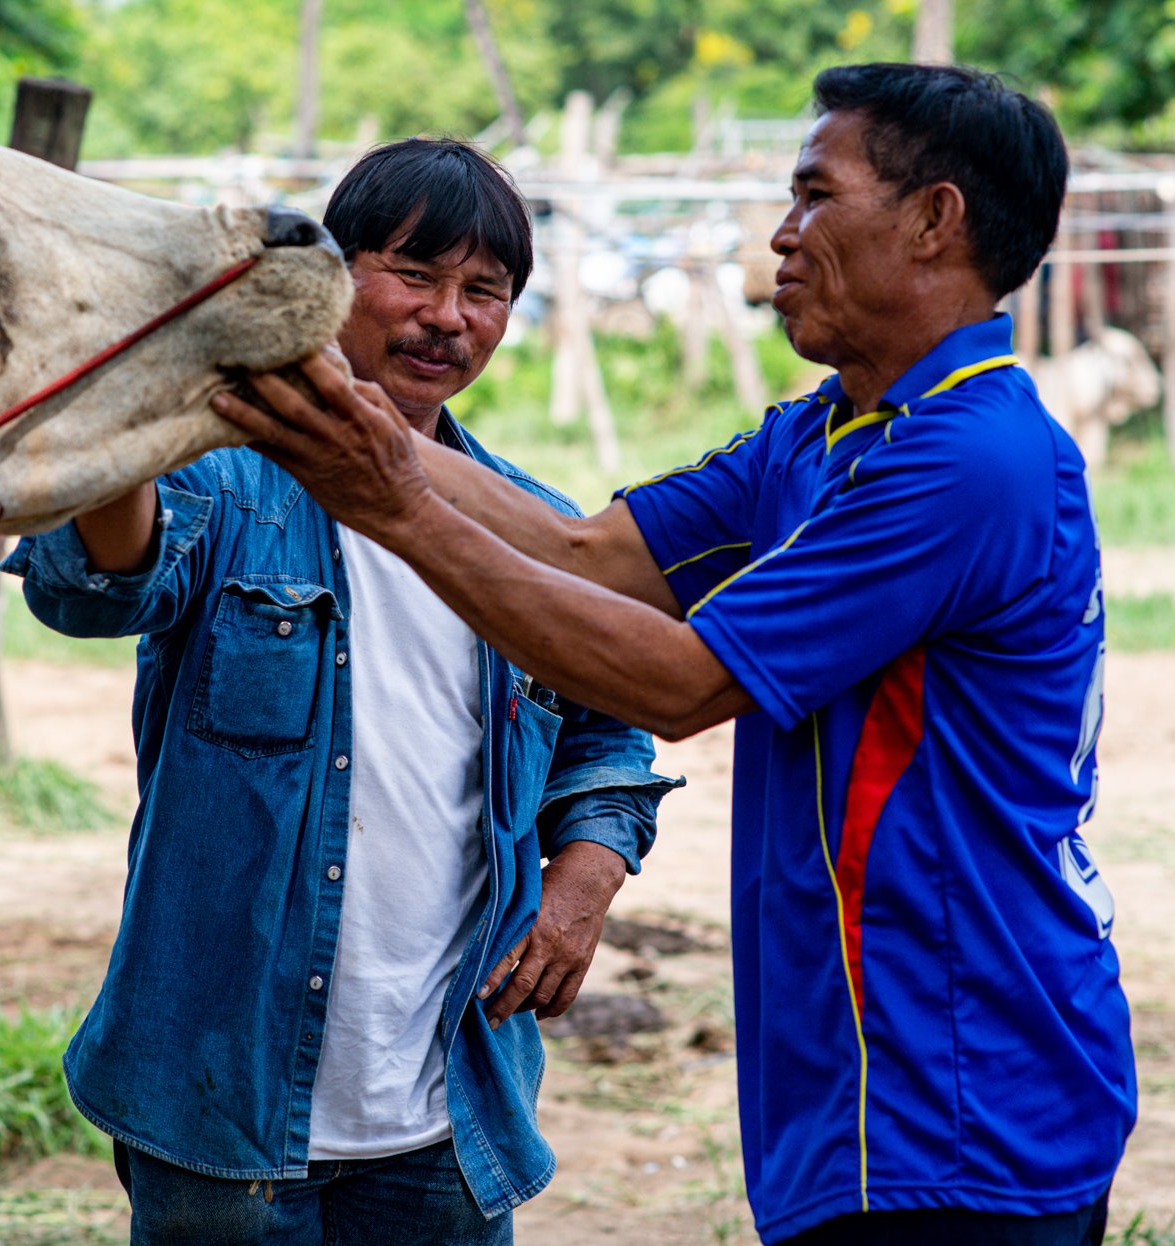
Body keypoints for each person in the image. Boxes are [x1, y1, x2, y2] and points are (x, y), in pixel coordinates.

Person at [213, 65, 1135, 1246]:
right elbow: (582, 549)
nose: (779, 234)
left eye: (811, 195)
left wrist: (389, 502)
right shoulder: (820, 430)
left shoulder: (963, 460)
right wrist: (317, 407)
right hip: (860, 1077)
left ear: (931, 220)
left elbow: (677, 682)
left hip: (960, 1087)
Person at [0, 137, 675, 1243]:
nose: (447, 316)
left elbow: (606, 730)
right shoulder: (223, 479)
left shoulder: (534, 526)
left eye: (484, 290)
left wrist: (582, 883)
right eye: (412, 274)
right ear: (329, 276)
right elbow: (98, 588)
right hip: (219, 1101)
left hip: (448, 1111)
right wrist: (123, 411)